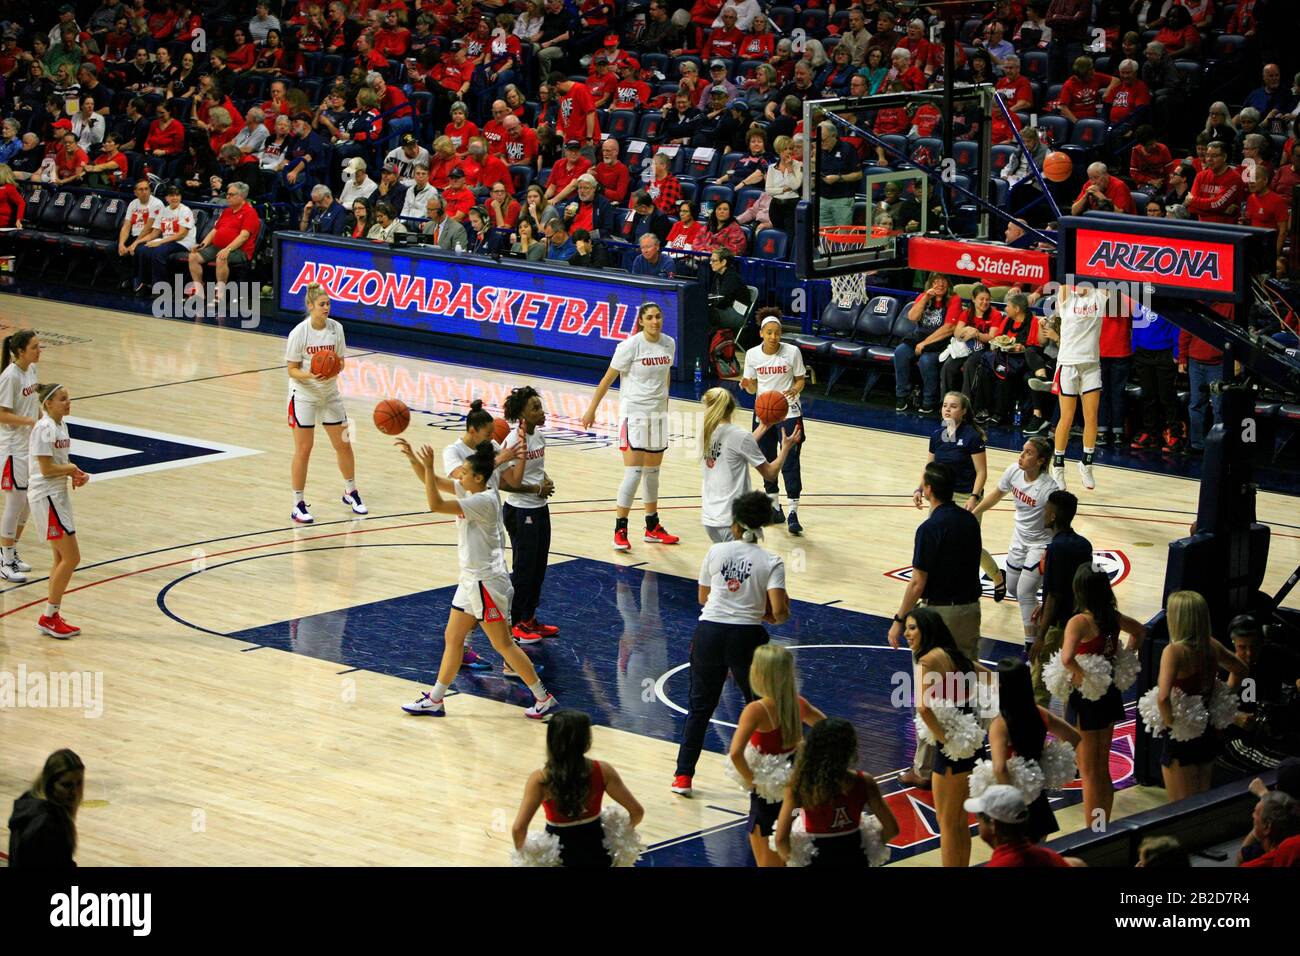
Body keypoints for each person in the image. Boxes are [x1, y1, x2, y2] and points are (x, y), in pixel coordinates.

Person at [396, 438, 558, 720]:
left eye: (464, 472)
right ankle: (436, 699)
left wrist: (431, 463)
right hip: (471, 580)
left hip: (487, 583)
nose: (459, 475)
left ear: (479, 477)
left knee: (503, 644)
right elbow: (430, 479)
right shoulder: (475, 488)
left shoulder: (481, 501)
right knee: (453, 637)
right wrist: (414, 459)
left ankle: (543, 698)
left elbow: (434, 503)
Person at [673, 491, 789, 796]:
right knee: (762, 707)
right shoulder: (771, 560)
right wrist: (761, 613)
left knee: (700, 707)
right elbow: (779, 612)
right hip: (747, 638)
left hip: (709, 633)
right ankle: (768, 777)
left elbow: (702, 598)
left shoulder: (716, 552)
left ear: (734, 524)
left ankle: (683, 777)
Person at [891, 462, 983, 790]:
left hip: (937, 617)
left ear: (928, 489)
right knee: (963, 687)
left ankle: (925, 768)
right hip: (970, 610)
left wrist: (900, 620)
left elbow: (918, 582)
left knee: (930, 692)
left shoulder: (928, 529)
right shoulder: (970, 521)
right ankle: (965, 756)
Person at [581, 303, 680, 551]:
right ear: (641, 322)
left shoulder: (669, 343)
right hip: (633, 414)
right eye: (649, 317)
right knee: (634, 473)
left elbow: (665, 375)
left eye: (658, 316)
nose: (655, 321)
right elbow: (608, 379)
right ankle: (620, 528)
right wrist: (591, 409)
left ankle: (652, 526)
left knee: (653, 474)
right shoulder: (629, 346)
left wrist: (665, 404)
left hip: (657, 415)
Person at [1062, 567, 1147, 830]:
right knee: (1101, 768)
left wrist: (1079, 675)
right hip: (1109, 694)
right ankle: (1102, 826)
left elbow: (1066, 658)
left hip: (1087, 698)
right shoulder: (1112, 617)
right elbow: (1139, 631)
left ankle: (1093, 833)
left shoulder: (1079, 622)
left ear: (1080, 591)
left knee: (1089, 773)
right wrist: (1126, 658)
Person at [728, 644, 825, 866]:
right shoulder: (798, 703)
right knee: (794, 854)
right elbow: (829, 729)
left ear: (760, 673)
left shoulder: (756, 710)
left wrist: (753, 782)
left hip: (767, 797)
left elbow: (735, 754)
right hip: (795, 784)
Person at [908, 606, 990, 866]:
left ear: (927, 631)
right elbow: (995, 681)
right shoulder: (956, 656)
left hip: (953, 747)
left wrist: (943, 738)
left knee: (947, 823)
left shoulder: (927, 660)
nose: (907, 634)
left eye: (912, 628)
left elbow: (922, 707)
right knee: (959, 822)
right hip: (971, 741)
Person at [511, 710, 643, 866]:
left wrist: (527, 858)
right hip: (598, 853)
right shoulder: (603, 770)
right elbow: (637, 812)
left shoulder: (541, 779)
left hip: (559, 858)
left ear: (551, 741)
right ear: (586, 741)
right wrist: (619, 836)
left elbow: (518, 829)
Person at [284, 284, 365, 525]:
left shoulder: (336, 329)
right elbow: (291, 370)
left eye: (329, 304)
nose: (326, 308)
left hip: (330, 394)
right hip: (304, 394)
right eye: (322, 304)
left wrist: (332, 367)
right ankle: (298, 504)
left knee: (344, 444)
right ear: (310, 306)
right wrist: (312, 374)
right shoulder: (299, 333)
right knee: (304, 449)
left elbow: (339, 362)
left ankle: (350, 492)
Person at [1158, 591, 1248, 801]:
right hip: (1206, 731)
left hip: (1182, 739)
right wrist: (1224, 695)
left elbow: (1163, 697)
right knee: (1201, 802)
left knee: (1181, 809)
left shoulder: (1174, 652)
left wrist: (1170, 723)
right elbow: (1242, 669)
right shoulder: (1211, 646)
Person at [913, 391, 1005, 596]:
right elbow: (930, 467)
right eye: (945, 405)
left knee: (968, 546)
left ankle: (997, 576)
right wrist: (920, 488)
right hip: (941, 498)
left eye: (953, 406)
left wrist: (974, 497)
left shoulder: (971, 436)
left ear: (963, 411)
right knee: (936, 543)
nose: (947, 409)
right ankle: (929, 592)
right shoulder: (937, 435)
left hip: (966, 497)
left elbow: (982, 472)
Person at [775, 718, 898, 867]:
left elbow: (781, 839)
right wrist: (871, 849)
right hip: (854, 857)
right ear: (850, 749)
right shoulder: (864, 781)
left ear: (812, 748)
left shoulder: (800, 784)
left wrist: (796, 861)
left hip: (816, 860)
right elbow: (892, 828)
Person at [973, 437, 1059, 650]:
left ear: (1040, 461)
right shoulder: (1013, 471)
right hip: (1019, 539)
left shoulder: (1049, 488)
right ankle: (1039, 613)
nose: (1021, 455)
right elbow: (996, 494)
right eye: (1022, 451)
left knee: (1024, 592)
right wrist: (975, 512)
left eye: (1028, 453)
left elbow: (1060, 521)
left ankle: (1031, 643)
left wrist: (1054, 548)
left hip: (1040, 544)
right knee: (1013, 587)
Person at [989, 658, 1081, 842]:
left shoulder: (1000, 724)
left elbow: (1000, 768)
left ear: (1001, 686)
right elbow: (1074, 737)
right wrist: (1048, 757)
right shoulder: (1039, 712)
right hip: (1037, 797)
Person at [698, 387, 800, 544]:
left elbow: (738, 447)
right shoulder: (739, 436)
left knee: (725, 565)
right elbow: (770, 474)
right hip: (733, 520)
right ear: (732, 408)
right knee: (746, 566)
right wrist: (785, 448)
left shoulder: (706, 432)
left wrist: (764, 425)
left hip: (710, 519)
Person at [28, 383, 90, 639]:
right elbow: (46, 469)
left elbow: (59, 465)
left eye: (69, 399)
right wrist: (71, 468)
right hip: (47, 496)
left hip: (57, 495)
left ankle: (51, 615)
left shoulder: (61, 426)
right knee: (72, 558)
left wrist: (75, 474)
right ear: (48, 403)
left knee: (59, 559)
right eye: (63, 399)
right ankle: (49, 616)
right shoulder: (44, 428)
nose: (68, 403)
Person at [501, 386, 560, 643]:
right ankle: (515, 622)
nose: (541, 411)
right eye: (535, 408)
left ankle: (529, 618)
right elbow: (504, 483)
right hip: (519, 510)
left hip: (538, 508)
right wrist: (537, 488)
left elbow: (536, 470)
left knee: (538, 567)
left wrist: (544, 481)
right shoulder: (513, 441)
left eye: (540, 406)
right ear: (522, 414)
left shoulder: (539, 437)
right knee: (524, 568)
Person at [741, 311, 807, 534]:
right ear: (761, 333)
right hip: (764, 412)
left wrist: (795, 389)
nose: (773, 337)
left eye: (777, 333)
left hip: (789, 410)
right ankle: (774, 506)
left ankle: (793, 511)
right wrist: (746, 385)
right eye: (769, 333)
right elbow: (751, 388)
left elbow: (800, 379)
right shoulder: (752, 355)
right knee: (765, 459)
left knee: (790, 459)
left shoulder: (792, 352)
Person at [1050, 282, 1108, 491]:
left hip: (1091, 365)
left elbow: (1106, 273)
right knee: (1067, 417)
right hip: (1068, 364)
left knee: (1091, 416)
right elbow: (1066, 269)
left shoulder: (1099, 296)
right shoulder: (1067, 296)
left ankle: (1086, 462)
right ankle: (1057, 466)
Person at [0, 331, 41, 584]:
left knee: (27, 503)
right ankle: (4, 560)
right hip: (12, 449)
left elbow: (33, 404)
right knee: (15, 504)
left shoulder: (32, 370)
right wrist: (29, 421)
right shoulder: (10, 377)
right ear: (20, 351)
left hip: (28, 447)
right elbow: (1, 414)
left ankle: (11, 552)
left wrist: (41, 422)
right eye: (35, 347)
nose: (39, 351)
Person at [895, 273, 961, 414]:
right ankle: (902, 396)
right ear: (930, 284)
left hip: (940, 340)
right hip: (920, 336)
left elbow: (949, 328)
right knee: (900, 352)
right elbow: (912, 317)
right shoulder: (924, 296)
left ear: (948, 284)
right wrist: (925, 298)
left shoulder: (954, 299)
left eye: (943, 281)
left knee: (926, 361)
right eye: (936, 281)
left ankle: (928, 400)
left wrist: (924, 343)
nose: (940, 284)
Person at [6, 749, 84, 868]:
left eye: (79, 783)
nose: (74, 792)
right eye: (66, 785)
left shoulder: (30, 802)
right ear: (50, 784)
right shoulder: (46, 824)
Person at [187, 183, 261, 302]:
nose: (227, 197)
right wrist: (202, 245)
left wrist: (228, 249)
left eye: (231, 195)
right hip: (218, 247)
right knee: (193, 256)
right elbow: (214, 231)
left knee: (221, 257)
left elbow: (244, 236)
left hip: (240, 251)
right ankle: (199, 291)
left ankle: (220, 294)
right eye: (227, 194)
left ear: (241, 196)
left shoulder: (250, 213)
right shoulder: (226, 211)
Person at [968, 785, 1072, 867]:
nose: (978, 824)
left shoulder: (999, 864)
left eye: (979, 817)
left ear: (992, 825)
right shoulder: (1053, 858)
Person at [136, 185, 196, 290]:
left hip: (183, 242)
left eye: (177, 195)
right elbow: (155, 233)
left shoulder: (185, 210)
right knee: (142, 250)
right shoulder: (164, 210)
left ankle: (162, 287)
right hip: (167, 241)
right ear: (166, 198)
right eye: (171, 195)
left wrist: (160, 242)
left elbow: (182, 234)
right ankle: (145, 283)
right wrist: (137, 242)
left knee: (158, 252)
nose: (175, 198)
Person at [115, 179, 163, 290]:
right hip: (134, 235)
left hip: (149, 236)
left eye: (146, 189)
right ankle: (126, 278)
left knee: (138, 251)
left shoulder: (157, 204)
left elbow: (148, 229)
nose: (144, 191)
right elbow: (126, 226)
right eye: (141, 189)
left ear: (150, 190)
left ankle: (139, 279)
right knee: (112, 249)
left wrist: (135, 243)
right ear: (135, 192)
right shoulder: (133, 203)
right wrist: (121, 244)